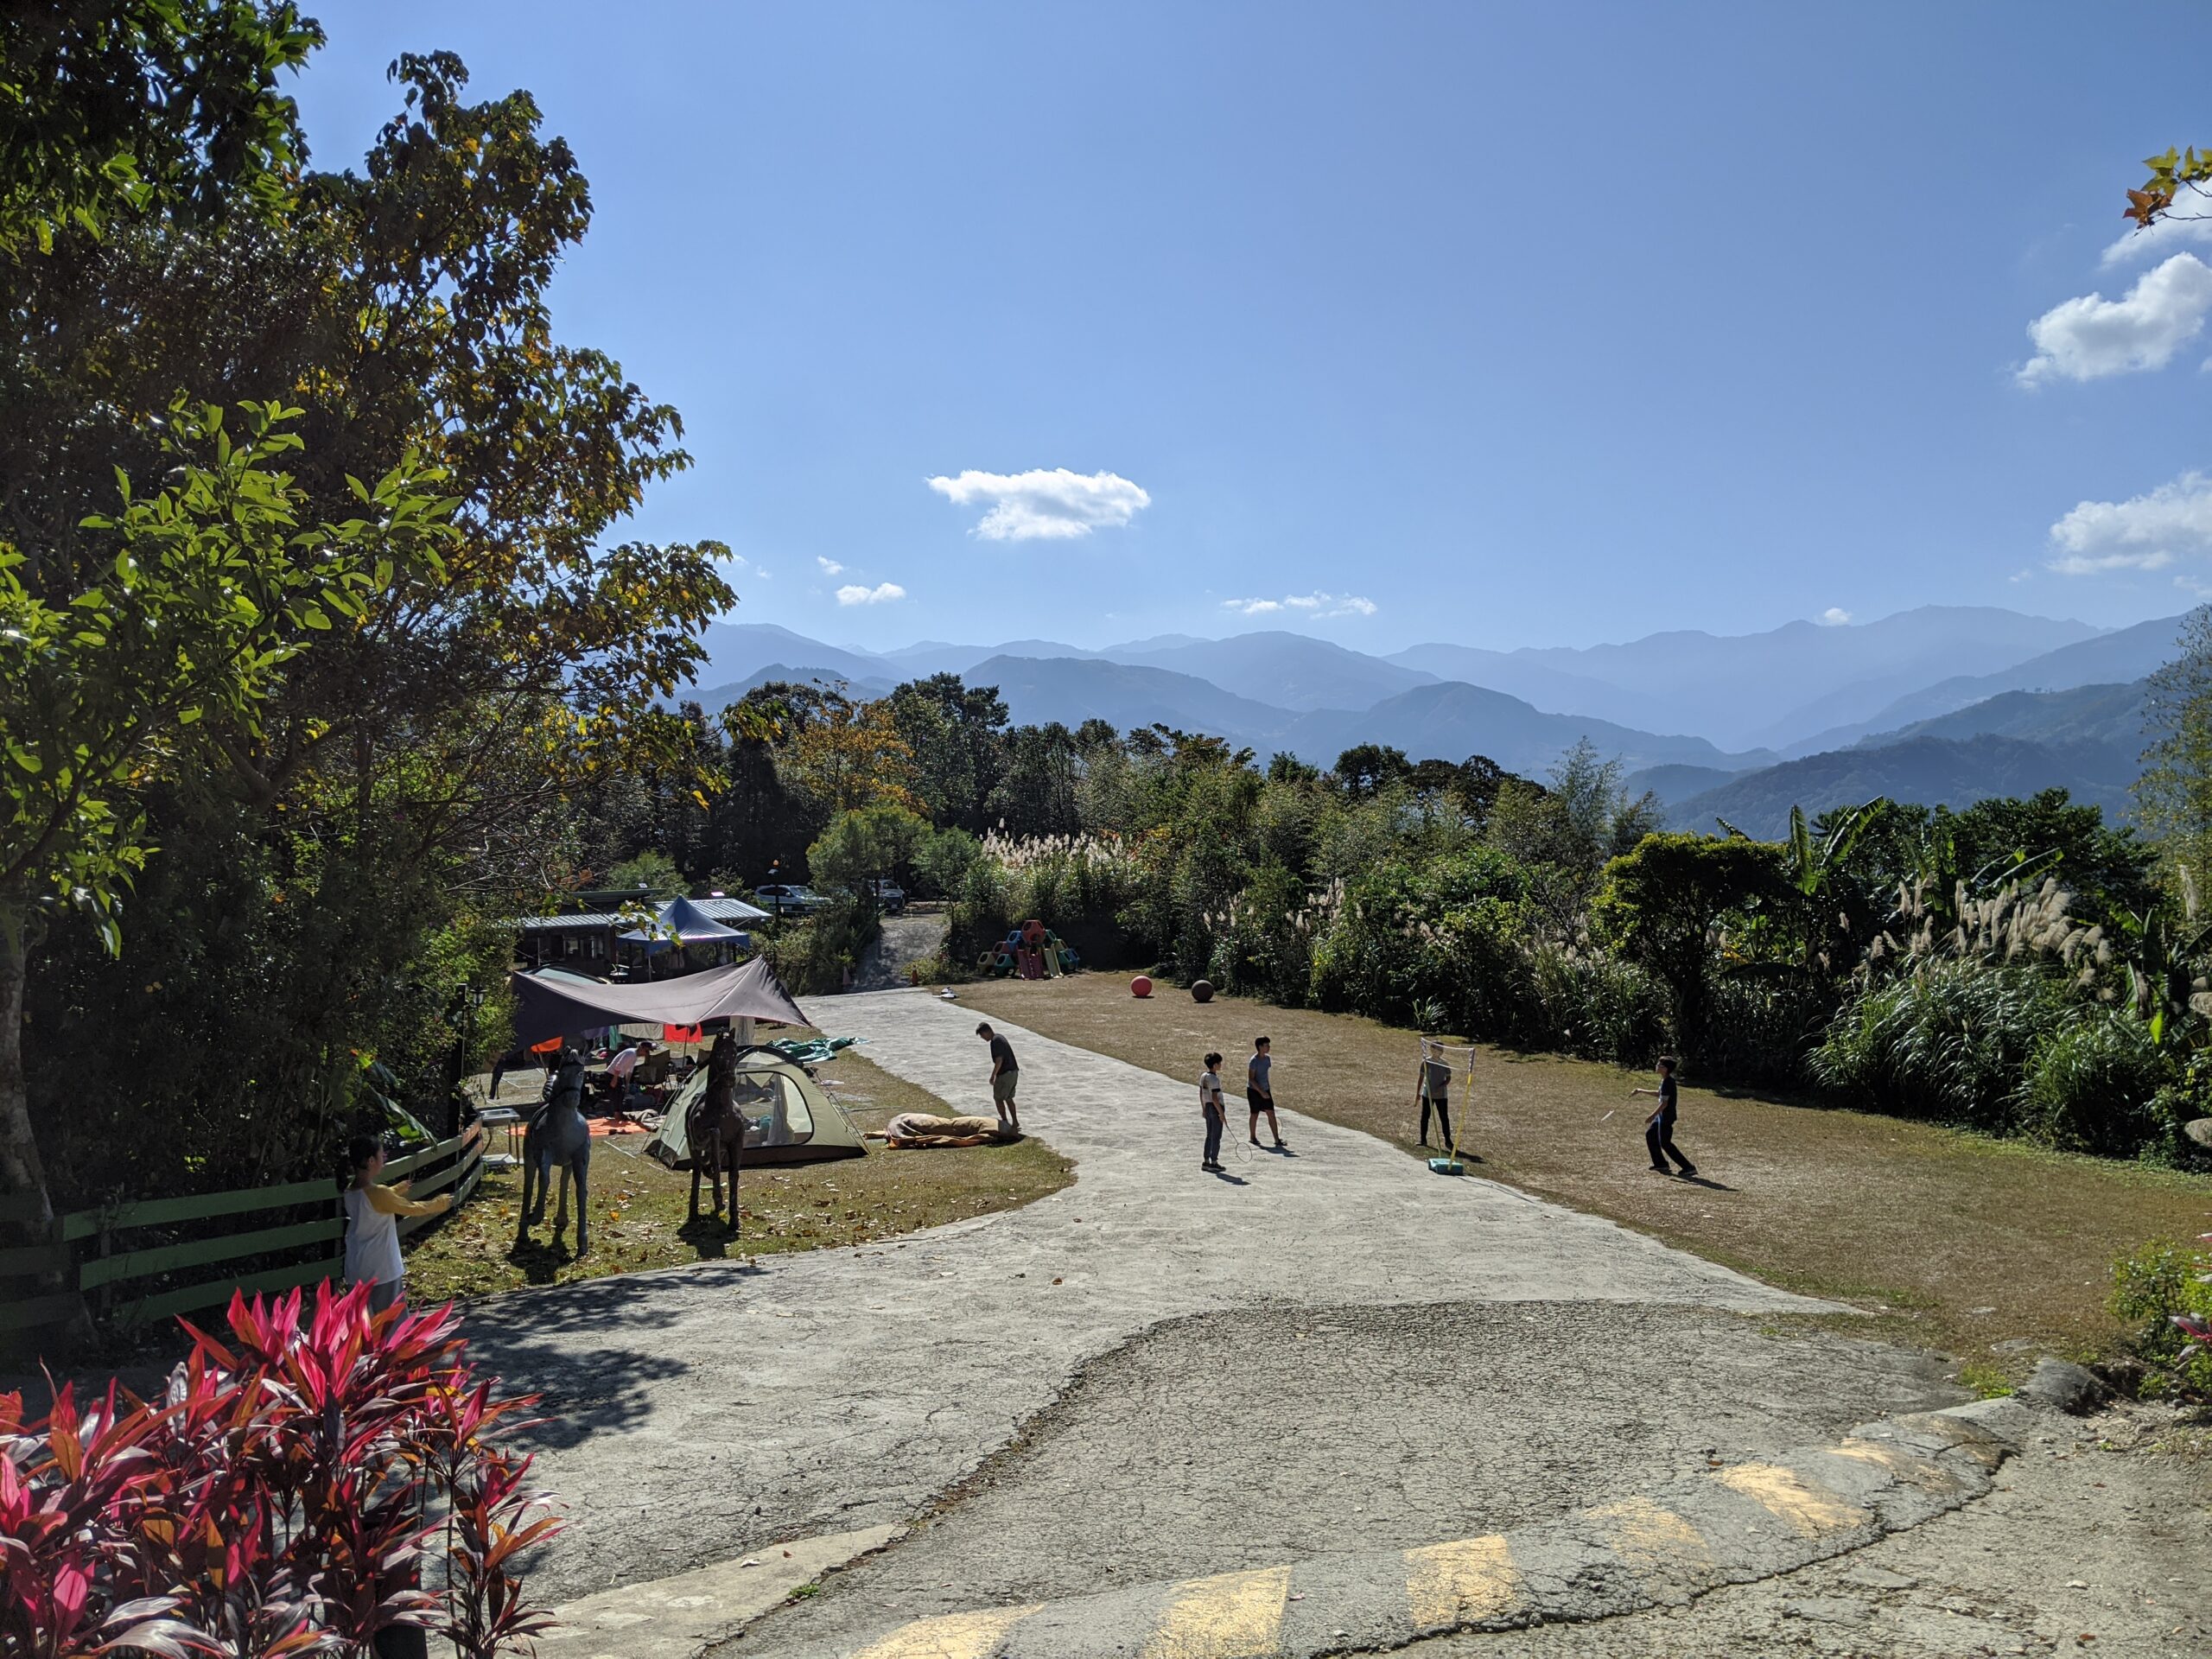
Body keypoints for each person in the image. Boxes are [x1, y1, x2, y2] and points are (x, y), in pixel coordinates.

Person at [344, 1132, 453, 1315]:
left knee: (361, 1325)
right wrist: (437, 1204)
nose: (383, 1160)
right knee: (392, 1327)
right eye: (382, 1156)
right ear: (371, 1161)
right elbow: (412, 1208)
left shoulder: (351, 1190)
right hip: (381, 1268)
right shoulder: (379, 1193)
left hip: (356, 1266)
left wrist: (396, 1190)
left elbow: (377, 1204)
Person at [1630, 1055, 1697, 1176]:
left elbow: (1664, 1103)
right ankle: (1661, 1163)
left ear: (1665, 1069)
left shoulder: (1668, 1083)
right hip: (1661, 1116)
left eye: (1660, 1065)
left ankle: (1688, 1167)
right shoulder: (1665, 1080)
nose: (1657, 1066)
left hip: (1666, 1117)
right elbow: (1659, 1094)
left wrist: (1652, 1115)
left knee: (1665, 1143)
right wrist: (1640, 1090)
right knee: (1651, 1135)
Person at [976, 1022, 1020, 1132]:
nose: (982, 1038)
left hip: (1005, 1074)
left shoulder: (995, 1041)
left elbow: (999, 1060)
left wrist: (993, 1076)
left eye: (982, 1035)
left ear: (987, 1032)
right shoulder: (1000, 1037)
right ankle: (1015, 1122)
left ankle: (1005, 1122)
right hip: (1013, 1072)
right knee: (1008, 1098)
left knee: (998, 1098)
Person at [1246, 1036, 1286, 1148]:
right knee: (1254, 1113)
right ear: (1260, 1047)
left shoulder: (1267, 1059)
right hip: (1254, 1091)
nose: (1269, 1047)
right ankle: (1252, 1137)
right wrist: (1261, 1091)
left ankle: (1277, 1139)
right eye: (1266, 1045)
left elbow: (1265, 1075)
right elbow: (1251, 1079)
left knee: (1271, 1113)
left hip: (1265, 1089)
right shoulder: (1254, 1061)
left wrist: (1266, 1090)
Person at [1416, 1040, 1455, 1149]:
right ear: (1432, 1049)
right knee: (1425, 1116)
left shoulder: (1444, 1063)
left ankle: (1448, 1141)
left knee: (1444, 1117)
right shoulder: (1426, 1062)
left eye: (1442, 1050)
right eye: (1438, 1049)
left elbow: (1448, 1078)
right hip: (1427, 1094)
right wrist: (1418, 1093)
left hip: (1442, 1095)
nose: (1441, 1052)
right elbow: (1421, 1078)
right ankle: (1423, 1139)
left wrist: (1441, 1087)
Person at [1198, 1051, 1228, 1172]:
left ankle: (1206, 1161)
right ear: (1215, 1065)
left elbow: (1201, 1094)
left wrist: (1204, 1108)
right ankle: (1214, 1161)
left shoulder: (1203, 1076)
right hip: (1215, 1108)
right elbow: (1215, 1098)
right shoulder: (1214, 1080)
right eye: (1219, 1063)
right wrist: (1221, 1114)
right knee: (1216, 1136)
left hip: (1208, 1107)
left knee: (1209, 1135)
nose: (1221, 1065)